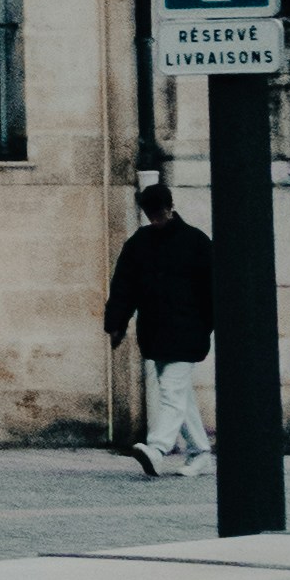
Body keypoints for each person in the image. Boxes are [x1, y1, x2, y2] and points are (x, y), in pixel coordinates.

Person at [105, 170, 215, 477]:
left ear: (169, 208)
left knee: (170, 388)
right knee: (179, 394)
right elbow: (123, 285)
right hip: (159, 330)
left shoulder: (195, 242)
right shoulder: (143, 242)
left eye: (158, 213)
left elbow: (213, 289)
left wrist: (206, 324)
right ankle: (200, 451)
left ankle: (157, 447)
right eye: (150, 214)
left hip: (187, 330)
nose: (155, 219)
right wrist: (116, 321)